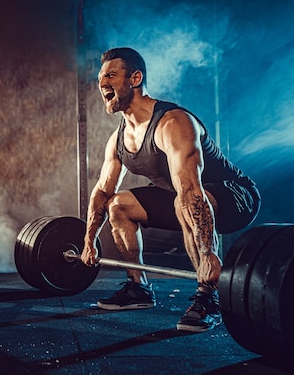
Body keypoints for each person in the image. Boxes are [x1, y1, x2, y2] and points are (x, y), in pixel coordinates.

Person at [81, 48, 261, 333]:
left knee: (181, 201)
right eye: (101, 77)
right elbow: (102, 192)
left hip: (235, 196)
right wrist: (88, 240)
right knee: (118, 205)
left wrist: (208, 254)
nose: (102, 83)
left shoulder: (172, 123)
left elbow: (191, 191)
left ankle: (208, 296)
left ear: (135, 78)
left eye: (111, 75)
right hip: (184, 196)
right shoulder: (118, 138)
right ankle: (138, 288)